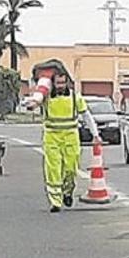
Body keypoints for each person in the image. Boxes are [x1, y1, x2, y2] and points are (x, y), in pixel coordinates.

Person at [27, 72, 100, 213]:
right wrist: (32, 104)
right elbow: (35, 103)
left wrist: (95, 134)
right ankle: (55, 201)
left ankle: (67, 192)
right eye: (58, 83)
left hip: (71, 137)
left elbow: (86, 115)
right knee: (53, 170)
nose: (60, 86)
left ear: (67, 83)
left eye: (63, 83)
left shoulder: (74, 97)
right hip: (52, 138)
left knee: (71, 169)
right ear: (52, 84)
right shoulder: (46, 96)